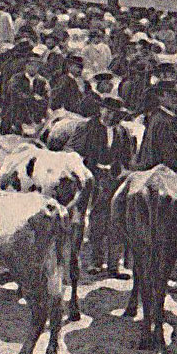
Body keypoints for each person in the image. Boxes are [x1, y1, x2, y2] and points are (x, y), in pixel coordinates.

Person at [69, 94, 134, 278]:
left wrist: (122, 171)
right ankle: (95, 262)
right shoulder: (87, 127)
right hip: (92, 177)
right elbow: (73, 153)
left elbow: (128, 158)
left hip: (115, 179)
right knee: (97, 219)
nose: (110, 116)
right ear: (100, 109)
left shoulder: (123, 132)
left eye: (115, 113)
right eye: (108, 111)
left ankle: (114, 265)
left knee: (117, 221)